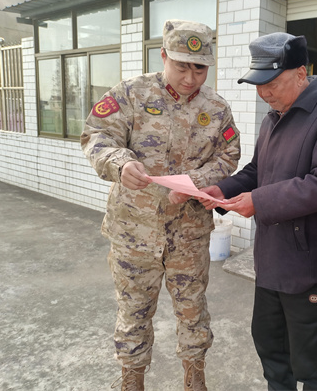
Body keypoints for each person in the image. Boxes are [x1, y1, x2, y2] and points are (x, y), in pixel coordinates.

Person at [80, 19, 240, 391]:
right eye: (182, 65)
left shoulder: (216, 108)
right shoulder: (131, 94)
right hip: (135, 234)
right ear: (164, 55)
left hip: (189, 233)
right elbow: (96, 135)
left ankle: (194, 378)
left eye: (199, 68)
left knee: (192, 311)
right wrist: (121, 163)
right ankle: (132, 380)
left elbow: (229, 155)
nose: (190, 77)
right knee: (133, 312)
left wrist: (195, 183)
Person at [198, 32, 317, 390]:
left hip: (310, 268)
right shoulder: (273, 117)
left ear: (301, 74)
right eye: (259, 84)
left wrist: (260, 201)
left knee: (315, 366)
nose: (264, 93)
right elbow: (258, 170)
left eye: (272, 83)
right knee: (273, 355)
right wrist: (223, 189)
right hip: (271, 263)